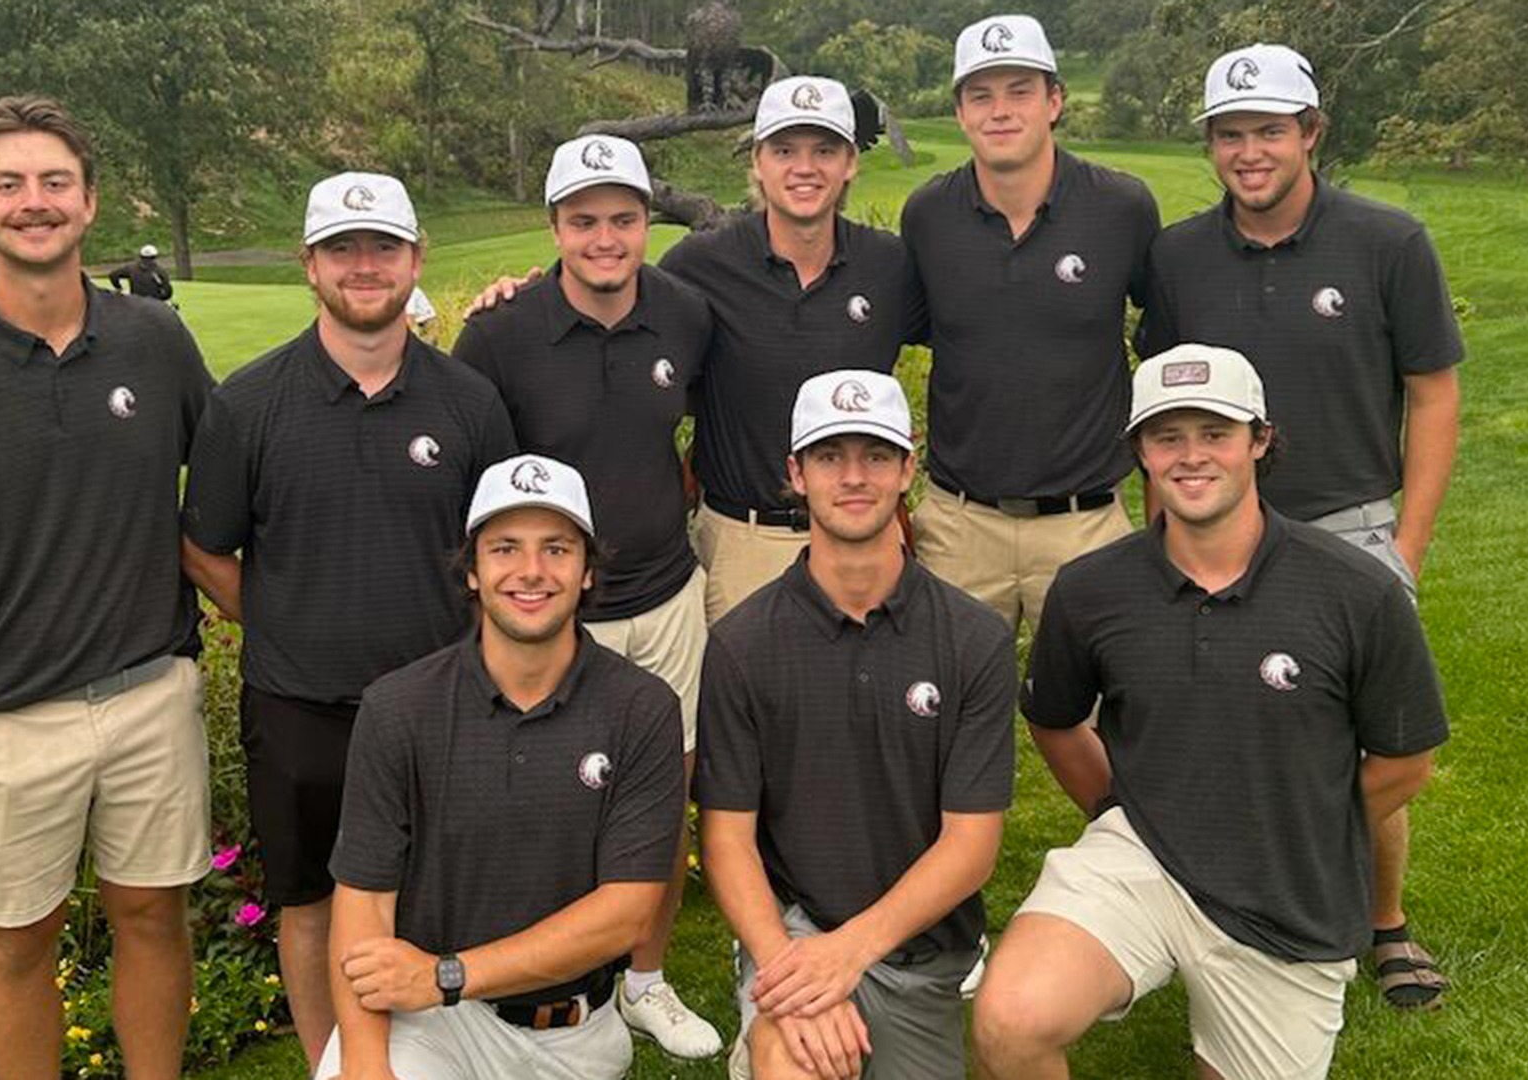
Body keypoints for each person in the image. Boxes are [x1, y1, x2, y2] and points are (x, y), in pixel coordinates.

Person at [0, 96, 215, 1080]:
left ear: (90, 201)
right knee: (15, 943)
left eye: (55, 182)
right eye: (8, 184)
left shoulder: (156, 341)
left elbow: (228, 488)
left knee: (154, 915)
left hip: (149, 691)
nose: (34, 202)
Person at [973, 344, 1448, 1080]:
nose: (1191, 457)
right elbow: (1055, 719)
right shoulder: (1091, 589)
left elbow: (1406, 760)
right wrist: (1116, 808)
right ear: (1140, 452)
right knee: (1010, 1023)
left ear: (1260, 440)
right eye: (1167, 437)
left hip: (1288, 895)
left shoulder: (1357, 591)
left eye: (1215, 433)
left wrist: (1303, 826)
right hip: (1143, 856)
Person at [1136, 43, 1464, 1010]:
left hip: (1349, 525)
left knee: (1367, 740)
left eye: (1269, 130)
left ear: (1311, 132)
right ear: (1209, 144)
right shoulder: (1177, 257)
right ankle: (1217, 903)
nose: (1249, 152)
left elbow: (1433, 394)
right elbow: (1161, 407)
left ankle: (1383, 920)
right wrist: (1157, 534)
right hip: (1209, 530)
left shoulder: (1388, 242)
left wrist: (1406, 547)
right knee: (1218, 725)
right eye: (1229, 134)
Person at [179, 172, 517, 1074]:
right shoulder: (247, 404)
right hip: (299, 707)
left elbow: (502, 551)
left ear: (416, 260)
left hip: (447, 706)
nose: (364, 266)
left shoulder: (470, 402)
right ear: (310, 265)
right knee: (311, 903)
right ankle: (330, 1065)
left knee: (449, 899)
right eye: (342, 249)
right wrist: (286, 621)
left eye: (383, 248)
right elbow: (205, 548)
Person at [451, 134, 721, 1059]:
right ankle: (541, 976)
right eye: (583, 221)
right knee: (546, 799)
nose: (605, 238)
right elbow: (476, 486)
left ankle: (643, 980)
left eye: (623, 219)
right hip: (552, 613)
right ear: (555, 227)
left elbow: (703, 429)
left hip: (668, 594)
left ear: (647, 222)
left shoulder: (685, 314)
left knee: (665, 791)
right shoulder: (499, 333)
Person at [471, 75, 924, 623]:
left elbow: (975, 344)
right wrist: (523, 295)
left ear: (850, 162)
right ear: (757, 160)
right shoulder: (699, 265)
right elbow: (607, 294)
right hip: (743, 539)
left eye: (824, 151)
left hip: (866, 535)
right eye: (784, 150)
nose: (804, 168)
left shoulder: (890, 264)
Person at [319, 453, 686, 1080]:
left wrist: (448, 974)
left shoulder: (642, 708)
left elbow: (626, 914)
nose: (531, 571)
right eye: (505, 548)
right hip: (430, 1026)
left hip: (570, 1032)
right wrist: (364, 1062)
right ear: (473, 570)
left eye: (557, 549)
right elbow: (363, 905)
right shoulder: (398, 707)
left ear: (587, 571)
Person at [698, 370, 1016, 1080]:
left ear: (908, 468)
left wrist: (848, 954)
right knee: (790, 1063)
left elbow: (971, 846)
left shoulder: (974, 639)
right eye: (828, 456)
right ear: (796, 473)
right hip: (792, 932)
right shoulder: (743, 644)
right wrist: (791, 966)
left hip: (922, 953)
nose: (852, 477)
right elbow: (726, 841)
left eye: (875, 455)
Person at [900, 13, 1160, 635]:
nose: (1000, 111)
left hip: (1085, 524)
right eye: (981, 95)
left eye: (1020, 91)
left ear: (1055, 101)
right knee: (946, 692)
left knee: (1100, 695)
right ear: (960, 112)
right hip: (959, 525)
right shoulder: (928, 215)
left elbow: (1164, 347)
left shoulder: (1121, 208)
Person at [108, 243, 174, 301]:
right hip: (154, 304)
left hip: (135, 303)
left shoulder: (131, 268)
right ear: (155, 256)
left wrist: (119, 288)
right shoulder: (160, 271)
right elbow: (167, 292)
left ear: (141, 256)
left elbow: (113, 275)